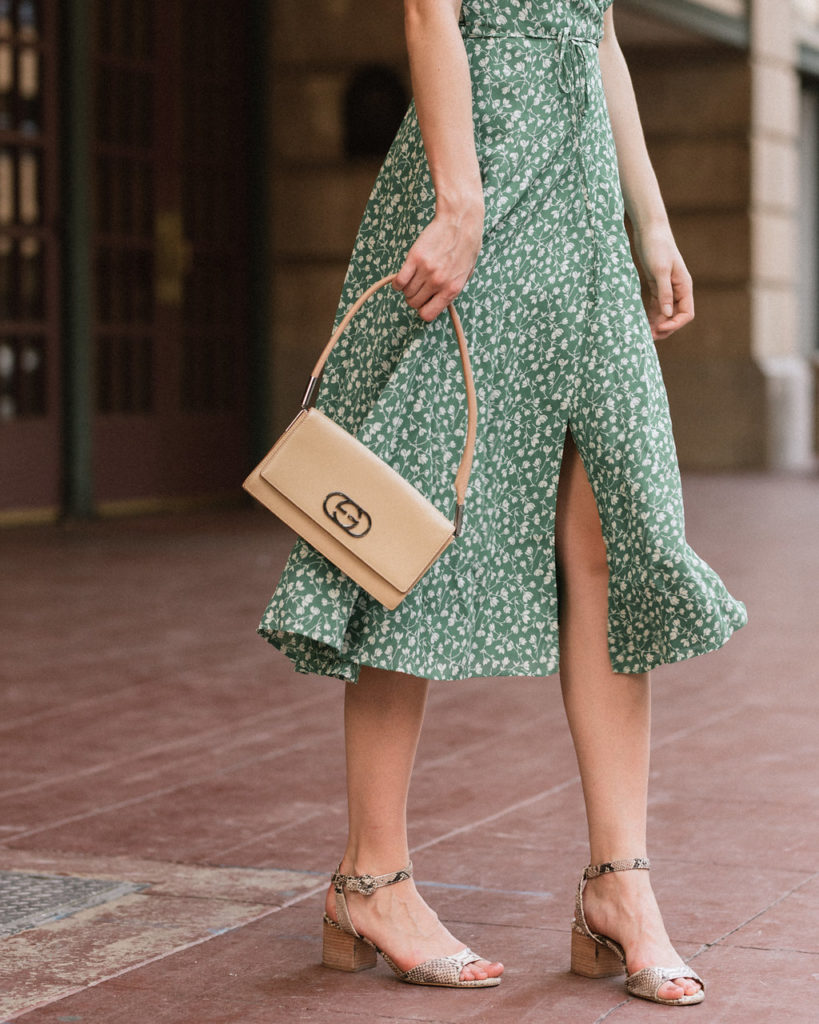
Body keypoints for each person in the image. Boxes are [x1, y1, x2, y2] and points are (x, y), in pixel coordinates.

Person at [258, 0, 748, 1006]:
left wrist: (649, 223)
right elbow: (430, 13)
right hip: (473, 181)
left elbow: (598, 30)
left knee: (619, 523)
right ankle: (371, 876)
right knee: (412, 518)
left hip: (581, 209)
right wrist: (461, 202)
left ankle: (620, 884)